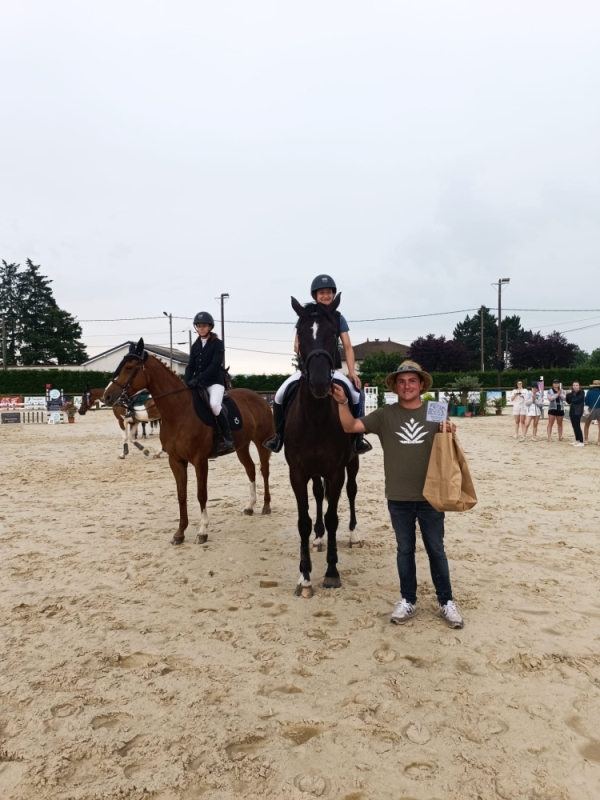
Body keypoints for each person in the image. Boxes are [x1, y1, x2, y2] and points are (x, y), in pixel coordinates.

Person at [331, 360, 464, 629]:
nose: (407, 386)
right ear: (395, 386)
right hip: (398, 496)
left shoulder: (436, 409)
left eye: (412, 381)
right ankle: (408, 600)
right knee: (405, 550)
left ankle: (446, 601)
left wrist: (450, 429)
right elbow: (350, 427)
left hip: (431, 494)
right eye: (402, 382)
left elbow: (447, 436)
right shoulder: (384, 414)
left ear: (421, 384)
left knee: (436, 549)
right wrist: (343, 402)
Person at [263, 274, 371, 454]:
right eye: (322, 293)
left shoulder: (338, 317)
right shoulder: (305, 315)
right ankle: (279, 436)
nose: (326, 296)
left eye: (329, 292)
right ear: (315, 295)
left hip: (331, 370)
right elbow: (296, 345)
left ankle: (357, 438)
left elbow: (348, 346)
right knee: (280, 394)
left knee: (355, 394)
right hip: (307, 370)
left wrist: (352, 372)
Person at [183, 311, 234, 454]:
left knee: (214, 405)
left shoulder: (217, 344)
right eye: (198, 326)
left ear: (210, 327)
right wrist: (186, 382)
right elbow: (191, 366)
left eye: (204, 326)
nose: (201, 328)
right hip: (198, 384)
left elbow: (214, 366)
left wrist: (196, 379)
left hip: (214, 383)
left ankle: (227, 438)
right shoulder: (195, 346)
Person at [566, 382, 585, 447]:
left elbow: (576, 400)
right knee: (574, 425)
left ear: (579, 386)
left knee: (577, 426)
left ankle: (581, 441)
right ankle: (577, 440)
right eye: (574, 385)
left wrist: (571, 395)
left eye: (576, 385)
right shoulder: (572, 393)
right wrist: (567, 395)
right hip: (572, 410)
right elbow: (568, 401)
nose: (575, 386)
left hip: (578, 411)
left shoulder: (582, 392)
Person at [583, 379, 600, 445]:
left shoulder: (589, 392)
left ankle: (586, 440)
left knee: (586, 425)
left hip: (591, 409)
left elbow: (586, 402)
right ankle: (599, 441)